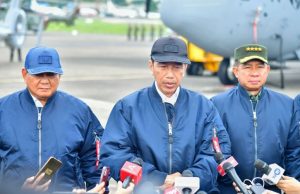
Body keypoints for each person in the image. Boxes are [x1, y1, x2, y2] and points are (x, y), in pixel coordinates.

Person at [100, 36, 231, 193]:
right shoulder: (128, 107)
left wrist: (188, 177)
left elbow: (217, 151)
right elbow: (114, 152)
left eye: (177, 67)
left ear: (185, 68)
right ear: (151, 66)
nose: (170, 75)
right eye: (163, 66)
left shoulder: (204, 107)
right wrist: (155, 177)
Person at [0, 47, 104, 193]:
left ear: (59, 75)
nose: (45, 81)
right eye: (38, 75)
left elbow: (94, 160)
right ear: (24, 74)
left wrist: (99, 189)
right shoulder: (3, 110)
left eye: (51, 74)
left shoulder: (80, 111)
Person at [211, 44, 300, 194]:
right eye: (247, 67)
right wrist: (232, 181)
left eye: (259, 67)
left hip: (273, 191)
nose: (254, 73)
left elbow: (293, 153)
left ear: (267, 70)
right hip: (230, 190)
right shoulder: (216, 105)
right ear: (235, 71)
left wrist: (290, 185)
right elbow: (215, 150)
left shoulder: (287, 105)